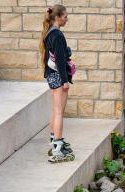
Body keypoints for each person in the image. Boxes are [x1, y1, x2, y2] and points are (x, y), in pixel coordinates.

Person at [39, 5, 76, 163]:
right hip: (59, 77)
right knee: (60, 111)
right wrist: (65, 80)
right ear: (58, 17)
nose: (67, 19)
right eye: (65, 16)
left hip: (51, 76)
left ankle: (54, 141)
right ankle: (59, 148)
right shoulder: (58, 35)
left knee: (55, 110)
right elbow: (60, 60)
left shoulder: (49, 33)